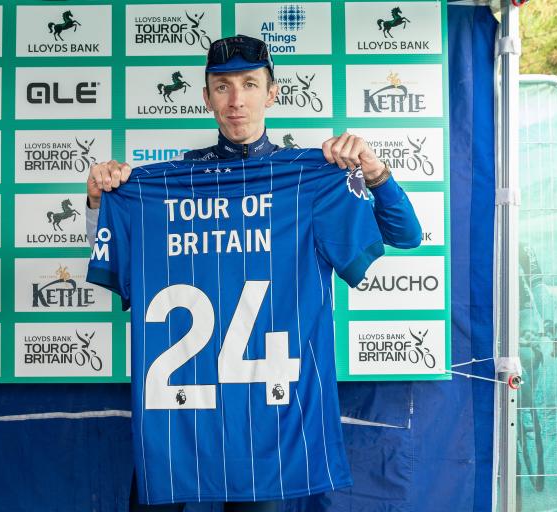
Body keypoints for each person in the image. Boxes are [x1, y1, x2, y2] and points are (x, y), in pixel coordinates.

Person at [84, 35, 422, 512]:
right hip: (181, 413)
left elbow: (407, 235)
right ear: (206, 97)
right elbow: (115, 265)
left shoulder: (310, 179)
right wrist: (101, 202)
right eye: (222, 87)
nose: (236, 100)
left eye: (248, 84)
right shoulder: (165, 185)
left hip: (268, 414)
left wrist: (377, 174)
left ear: (273, 92)